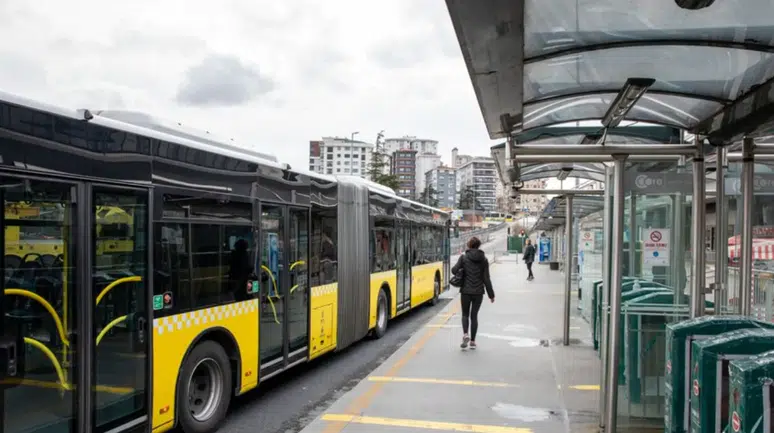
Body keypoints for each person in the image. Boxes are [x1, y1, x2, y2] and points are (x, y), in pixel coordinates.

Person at [451, 236, 495, 349]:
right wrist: (491, 295)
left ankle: (465, 334)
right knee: (474, 316)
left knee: (465, 314)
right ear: (479, 245)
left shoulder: (463, 258)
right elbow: (486, 278)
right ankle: (473, 341)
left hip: (465, 291)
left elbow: (454, 270)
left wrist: (461, 268)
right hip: (478, 292)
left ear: (469, 245)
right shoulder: (484, 260)